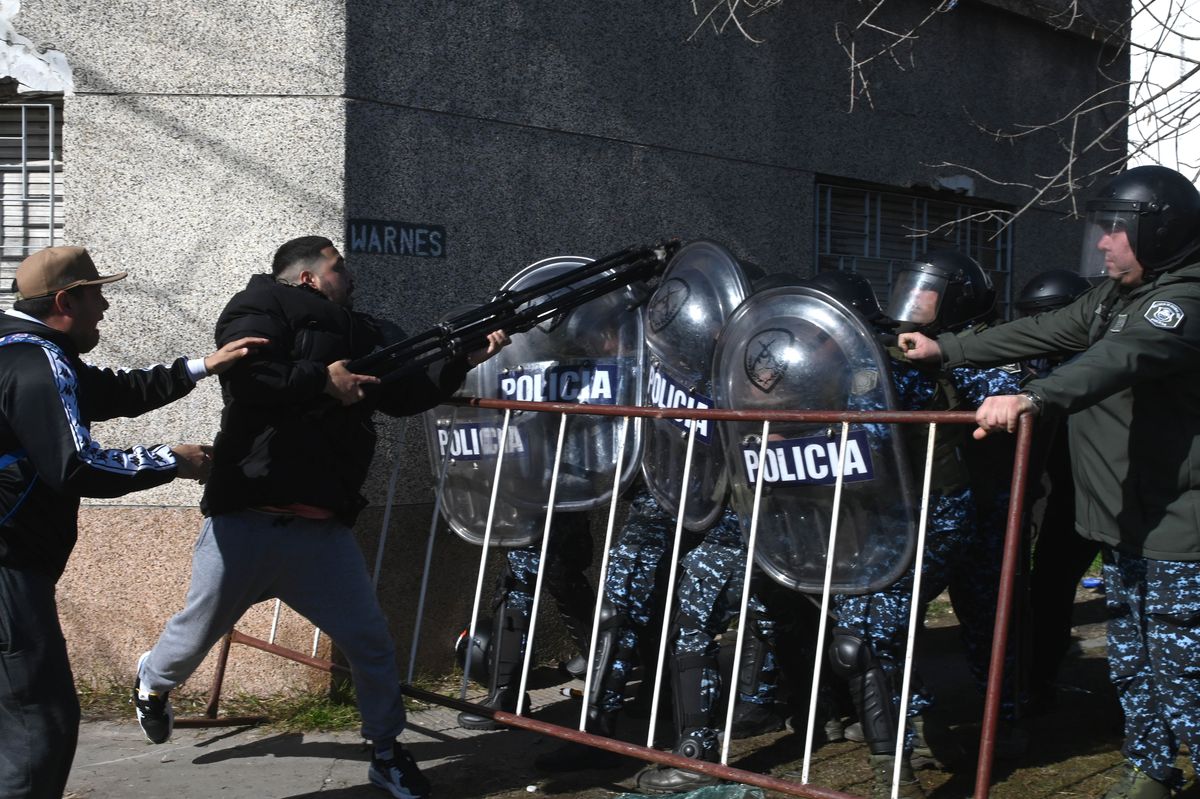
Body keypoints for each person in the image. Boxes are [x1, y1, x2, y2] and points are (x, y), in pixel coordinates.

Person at [133, 236, 508, 799]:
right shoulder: (257, 306)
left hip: (319, 531)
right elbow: (249, 377)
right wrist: (322, 382)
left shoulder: (362, 330)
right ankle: (152, 683)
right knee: (192, 638)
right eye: (339, 266)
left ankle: (386, 751)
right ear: (308, 276)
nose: (350, 275)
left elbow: (401, 395)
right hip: (246, 522)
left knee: (371, 643)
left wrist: (460, 360)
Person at [899, 164, 1200, 799]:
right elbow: (1043, 329)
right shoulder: (1117, 295)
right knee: (1134, 662)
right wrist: (946, 349)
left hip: (1177, 528)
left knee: (1184, 673)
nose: (1102, 242)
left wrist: (1033, 396)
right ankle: (1149, 772)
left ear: (1160, 232)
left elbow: (1117, 359)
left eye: (1116, 229)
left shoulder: (1182, 302)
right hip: (1127, 520)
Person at [0, 245, 262, 799]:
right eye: (97, 295)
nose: (105, 307)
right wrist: (171, 461)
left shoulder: (22, 353)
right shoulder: (38, 362)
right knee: (38, 722)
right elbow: (76, 465)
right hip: (7, 566)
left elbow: (109, 392)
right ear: (66, 301)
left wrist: (200, 367)